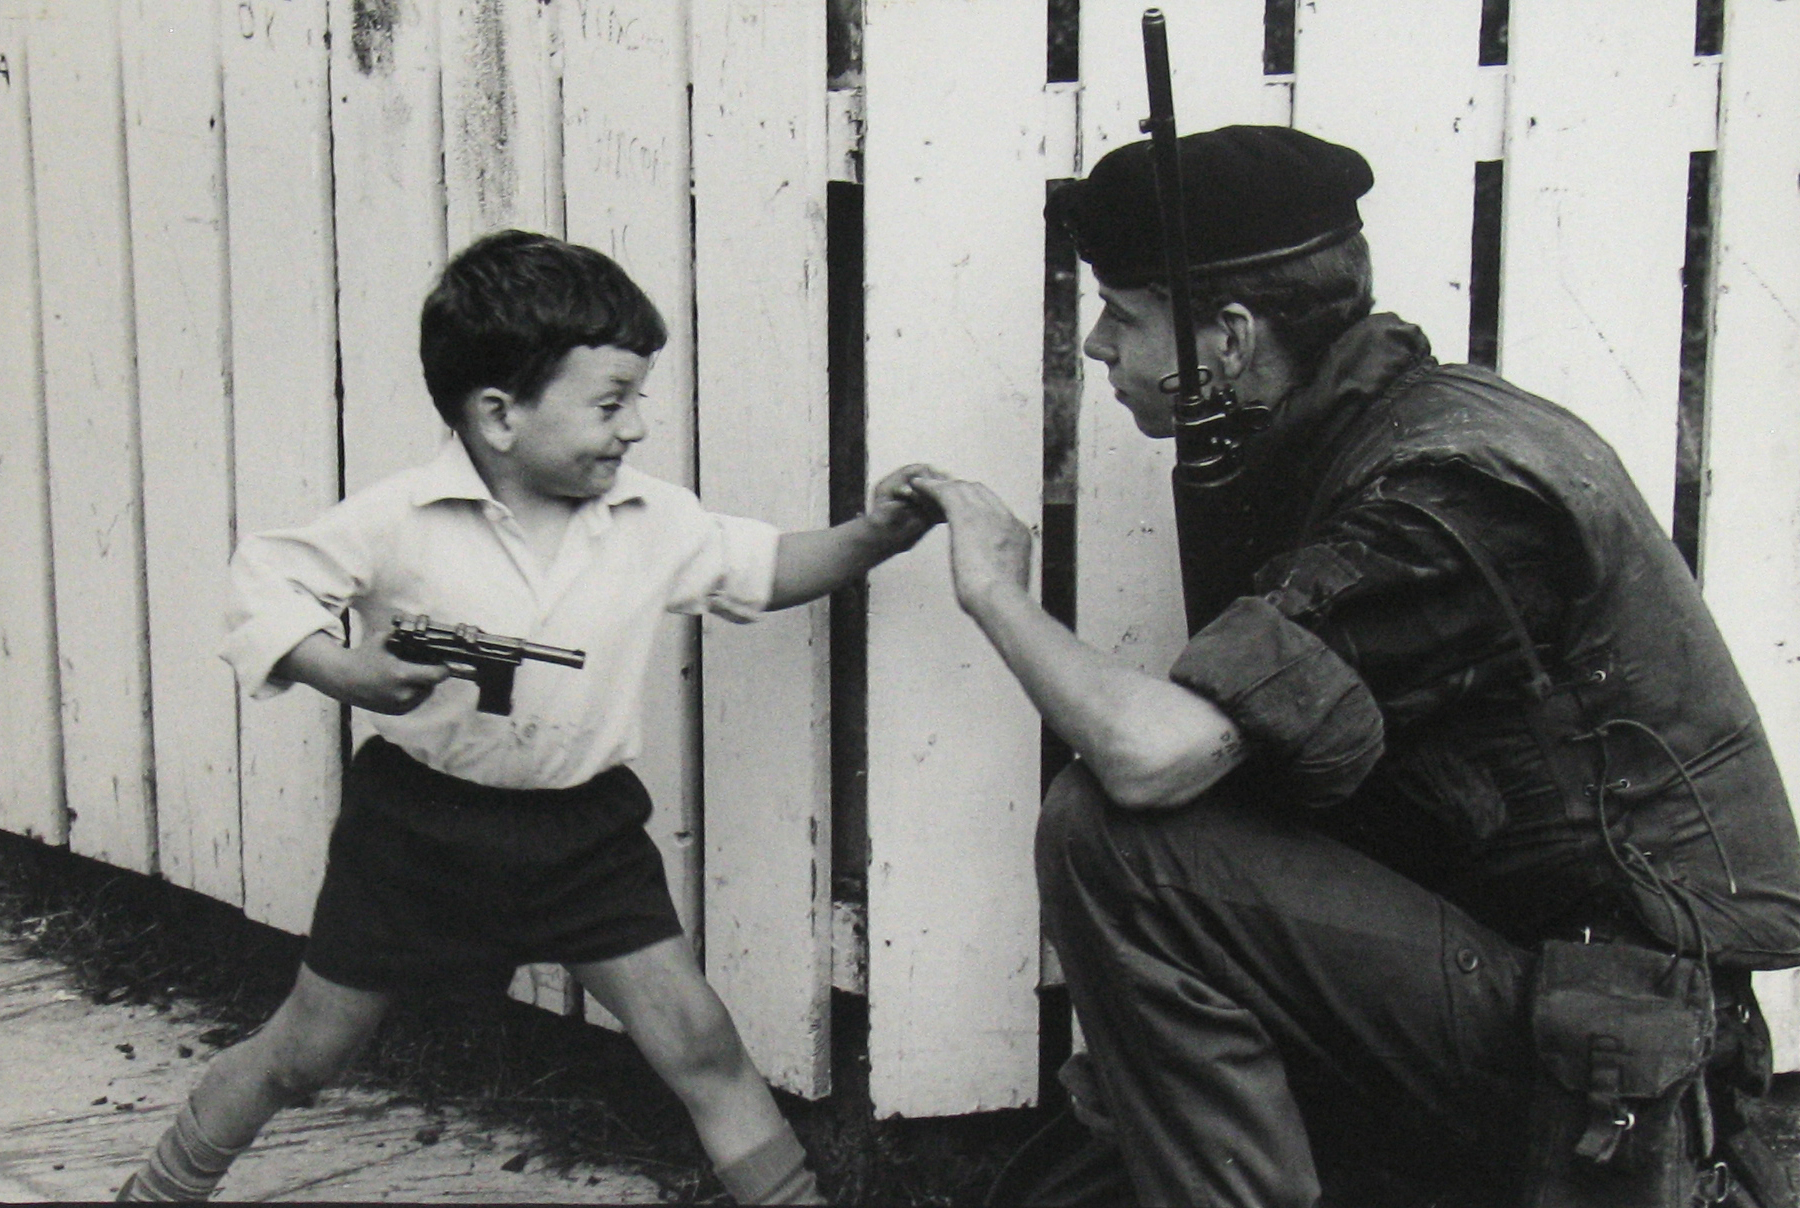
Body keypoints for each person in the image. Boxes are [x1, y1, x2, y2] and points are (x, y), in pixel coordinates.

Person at [914, 127, 1800, 1207]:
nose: (1098, 345)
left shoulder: (1450, 498)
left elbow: (1155, 757)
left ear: (1229, 338)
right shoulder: (1362, 434)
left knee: (1114, 833)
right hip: (1514, 971)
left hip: (1604, 1037)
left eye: (1127, 313)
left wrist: (995, 589)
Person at [117, 229, 941, 1204]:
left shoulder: (650, 518)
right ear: (500, 414)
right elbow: (267, 579)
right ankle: (161, 1190)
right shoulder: (401, 516)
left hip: (582, 834)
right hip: (416, 829)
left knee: (700, 1041)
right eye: (609, 402)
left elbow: (765, 569)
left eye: (639, 398)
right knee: (305, 1050)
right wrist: (346, 670)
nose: (635, 426)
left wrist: (874, 535)